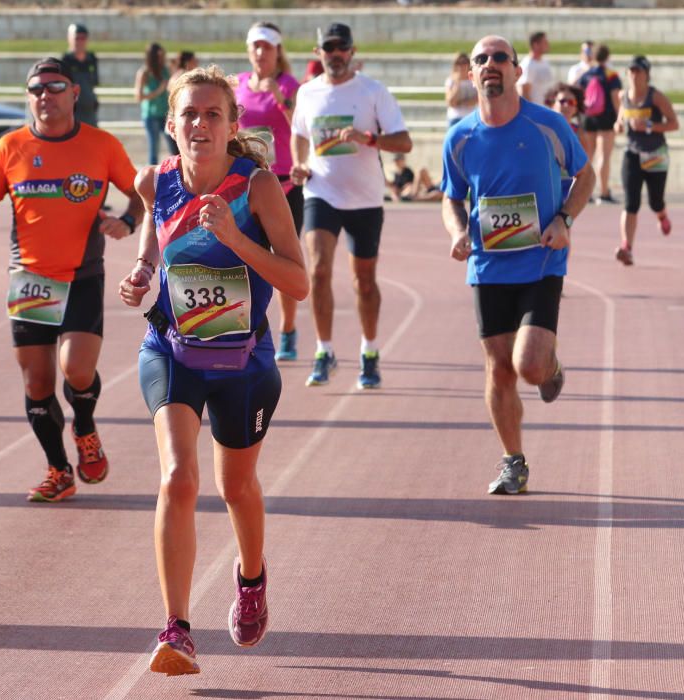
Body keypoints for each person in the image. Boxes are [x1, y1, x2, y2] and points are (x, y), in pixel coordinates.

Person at [117, 65, 308, 676]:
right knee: (178, 477)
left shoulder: (257, 188)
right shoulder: (156, 181)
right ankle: (176, 628)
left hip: (243, 361)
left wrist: (237, 239)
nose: (200, 124)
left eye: (213, 114)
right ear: (170, 126)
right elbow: (152, 246)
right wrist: (141, 274)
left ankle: (251, 577)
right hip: (172, 348)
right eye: (189, 115)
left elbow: (298, 281)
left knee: (236, 487)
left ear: (231, 126)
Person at [0, 58, 144, 502]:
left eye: (55, 87)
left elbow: (140, 192)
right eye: (36, 89)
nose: (45, 96)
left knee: (76, 369)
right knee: (37, 385)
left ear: (75, 93)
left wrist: (127, 222)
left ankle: (84, 428)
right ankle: (58, 470)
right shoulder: (10, 147)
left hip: (82, 275)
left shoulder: (101, 145)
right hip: (30, 277)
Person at [440, 35, 594, 495]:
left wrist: (565, 219)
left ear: (516, 71)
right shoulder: (461, 137)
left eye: (499, 58)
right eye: (481, 60)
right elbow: (451, 197)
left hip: (542, 258)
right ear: (470, 74)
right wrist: (457, 232)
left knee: (527, 364)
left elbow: (584, 176)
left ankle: (549, 368)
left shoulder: (548, 126)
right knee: (498, 368)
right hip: (488, 266)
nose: (491, 65)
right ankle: (513, 461)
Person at [291, 22, 412, 389]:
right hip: (321, 192)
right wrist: (301, 164)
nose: (335, 55)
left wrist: (368, 138)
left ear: (352, 51)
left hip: (365, 198)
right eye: (328, 48)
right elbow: (299, 134)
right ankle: (324, 350)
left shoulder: (373, 91)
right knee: (320, 271)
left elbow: (404, 142)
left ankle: (369, 351)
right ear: (318, 53)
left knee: (364, 281)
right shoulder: (308, 93)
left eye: (341, 48)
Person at [235, 22, 303, 361]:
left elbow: (303, 130)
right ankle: (241, 329)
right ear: (249, 50)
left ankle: (288, 328)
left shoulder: (290, 85)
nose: (261, 53)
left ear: (278, 51)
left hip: (284, 184)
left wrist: (283, 102)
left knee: (284, 262)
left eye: (267, 47)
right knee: (242, 258)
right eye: (256, 46)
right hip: (247, 184)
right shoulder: (237, 85)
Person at [613, 55, 679, 265]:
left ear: (646, 75)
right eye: (630, 71)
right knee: (631, 203)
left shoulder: (657, 97)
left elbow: (674, 124)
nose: (633, 75)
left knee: (655, 201)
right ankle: (627, 247)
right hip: (632, 154)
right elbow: (620, 119)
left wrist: (649, 127)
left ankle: (661, 215)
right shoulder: (623, 96)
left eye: (637, 71)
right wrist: (618, 126)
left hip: (655, 154)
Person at [577, 44, 622, 203]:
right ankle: (603, 192)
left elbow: (579, 96)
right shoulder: (611, 75)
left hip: (588, 117)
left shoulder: (586, 75)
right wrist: (619, 118)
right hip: (606, 117)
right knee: (604, 155)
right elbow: (616, 98)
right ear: (607, 57)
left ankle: (586, 192)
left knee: (588, 156)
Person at [546, 82, 587, 200]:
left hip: (569, 187)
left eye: (571, 102)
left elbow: (585, 165)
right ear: (553, 104)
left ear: (576, 108)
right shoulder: (543, 130)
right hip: (548, 186)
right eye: (562, 101)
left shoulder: (580, 132)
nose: (566, 105)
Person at [135, 42, 172, 165]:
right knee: (154, 148)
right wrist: (158, 91)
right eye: (159, 56)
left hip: (165, 113)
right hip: (151, 115)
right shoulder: (144, 73)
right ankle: (152, 178)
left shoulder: (165, 70)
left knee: (174, 144)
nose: (162, 58)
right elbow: (138, 97)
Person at [61, 23, 99, 127]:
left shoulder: (92, 59)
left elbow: (94, 82)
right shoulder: (65, 61)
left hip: (89, 109)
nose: (80, 42)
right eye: (77, 38)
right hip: (73, 110)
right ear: (69, 38)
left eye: (83, 38)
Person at [517, 31, 553, 107]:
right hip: (536, 111)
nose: (548, 44)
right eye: (545, 42)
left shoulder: (544, 62)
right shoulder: (528, 64)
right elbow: (524, 91)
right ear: (535, 44)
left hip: (546, 109)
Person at [445, 53, 477, 127]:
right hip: (455, 118)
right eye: (458, 63)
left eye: (464, 62)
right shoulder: (451, 81)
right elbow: (451, 102)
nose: (461, 66)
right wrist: (457, 83)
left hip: (471, 117)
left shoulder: (474, 80)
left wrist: (460, 103)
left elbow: (477, 99)